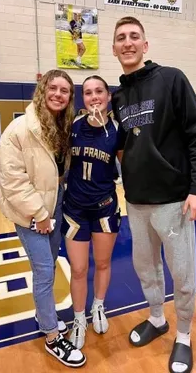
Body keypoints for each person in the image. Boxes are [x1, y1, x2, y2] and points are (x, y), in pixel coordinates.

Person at [111, 16, 196, 373]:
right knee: (146, 270)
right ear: (113, 48)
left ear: (145, 44)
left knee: (181, 273)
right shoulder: (118, 95)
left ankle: (183, 335)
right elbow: (121, 146)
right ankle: (157, 318)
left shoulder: (171, 79)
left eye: (134, 36)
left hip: (173, 200)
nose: (128, 43)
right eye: (121, 38)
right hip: (136, 202)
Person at [0, 69, 86, 368]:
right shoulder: (19, 129)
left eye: (65, 91)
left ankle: (42, 315)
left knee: (49, 262)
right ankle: (51, 336)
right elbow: (12, 180)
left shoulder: (62, 126)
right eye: (54, 88)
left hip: (55, 202)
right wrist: (40, 214)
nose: (58, 94)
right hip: (30, 210)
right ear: (42, 90)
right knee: (45, 271)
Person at [62, 75, 122, 350]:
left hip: (105, 209)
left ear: (108, 96)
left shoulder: (118, 130)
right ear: (82, 98)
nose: (94, 96)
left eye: (99, 91)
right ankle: (78, 319)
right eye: (88, 92)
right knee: (78, 269)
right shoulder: (72, 126)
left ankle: (98, 306)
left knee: (103, 263)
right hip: (74, 210)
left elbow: (130, 167)